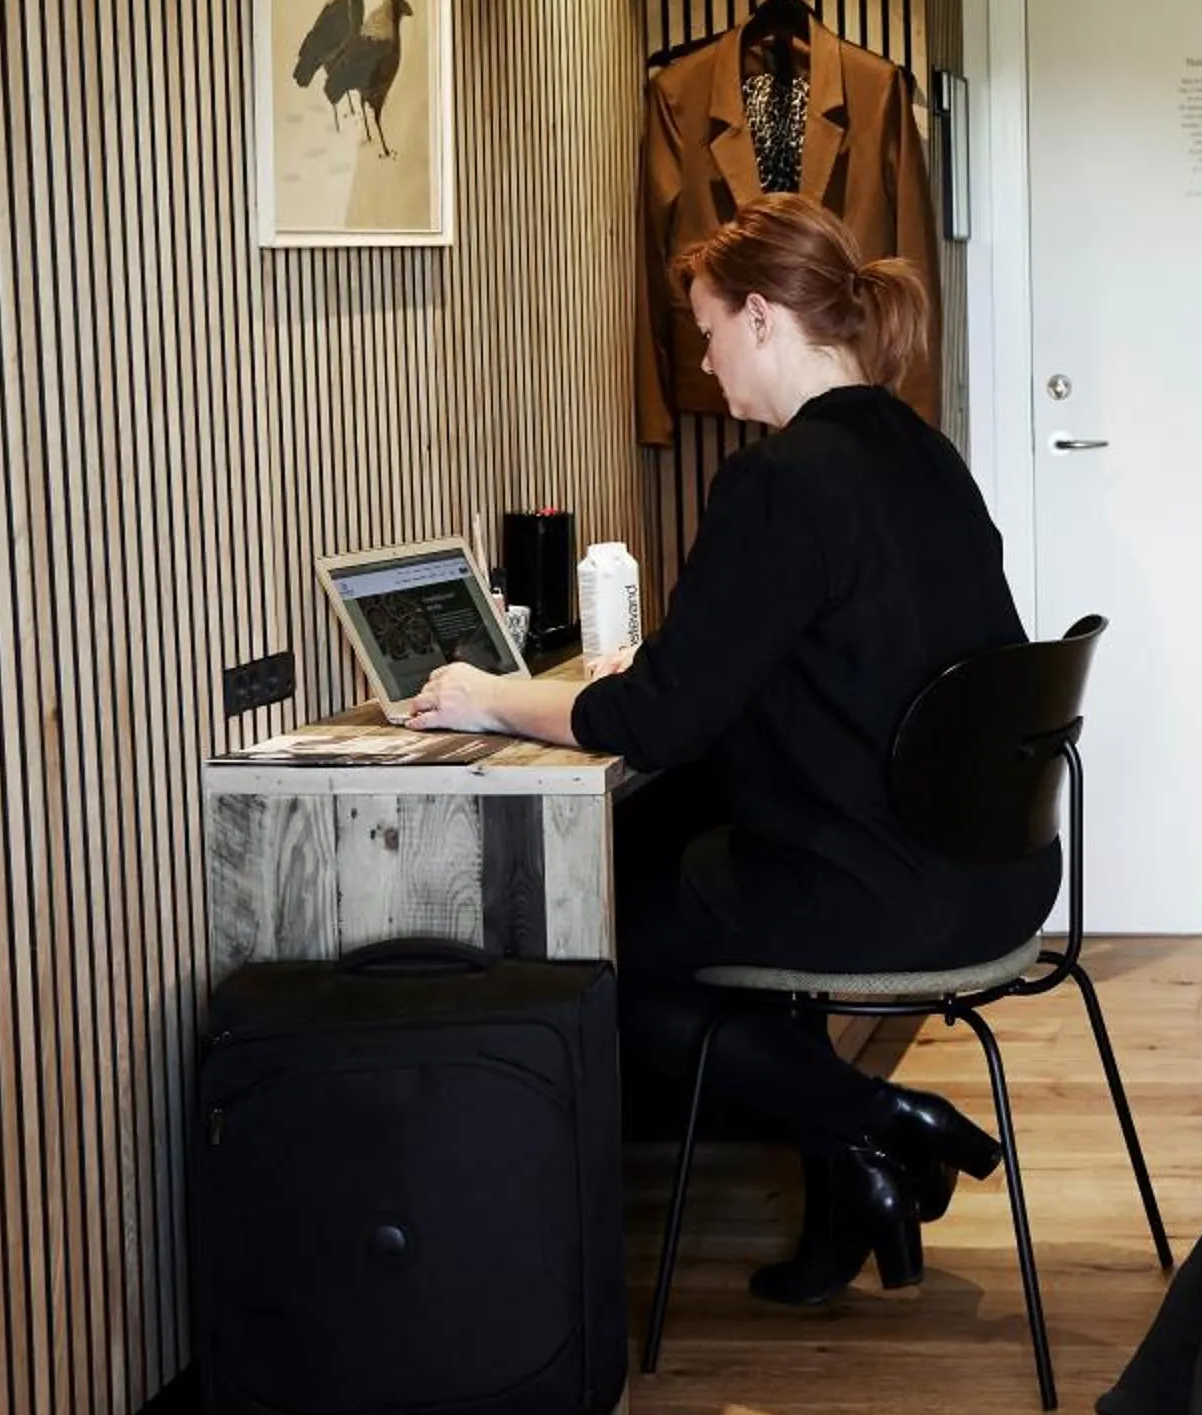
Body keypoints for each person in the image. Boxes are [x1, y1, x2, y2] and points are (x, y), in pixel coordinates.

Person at [408, 193, 1054, 1303]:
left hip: (887, 889)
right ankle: (854, 1182)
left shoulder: (782, 479)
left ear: (761, 316)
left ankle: (882, 1121)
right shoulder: (922, 453)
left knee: (600, 947)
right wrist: (675, 667)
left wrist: (493, 697)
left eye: (708, 331)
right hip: (996, 871)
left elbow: (657, 723)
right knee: (707, 873)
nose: (705, 363)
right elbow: (843, 647)